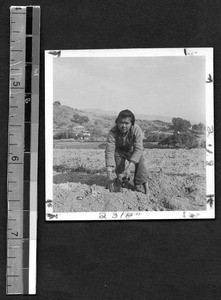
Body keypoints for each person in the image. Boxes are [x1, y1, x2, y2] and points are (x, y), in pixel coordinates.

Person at [105, 109, 150, 197]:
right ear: (117, 122)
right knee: (120, 173)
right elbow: (109, 151)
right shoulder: (112, 132)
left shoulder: (136, 129)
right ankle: (122, 184)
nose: (123, 126)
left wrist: (129, 167)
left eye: (127, 123)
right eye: (121, 122)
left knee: (141, 165)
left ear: (131, 124)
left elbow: (138, 149)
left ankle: (146, 189)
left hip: (133, 151)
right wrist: (109, 172)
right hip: (119, 151)